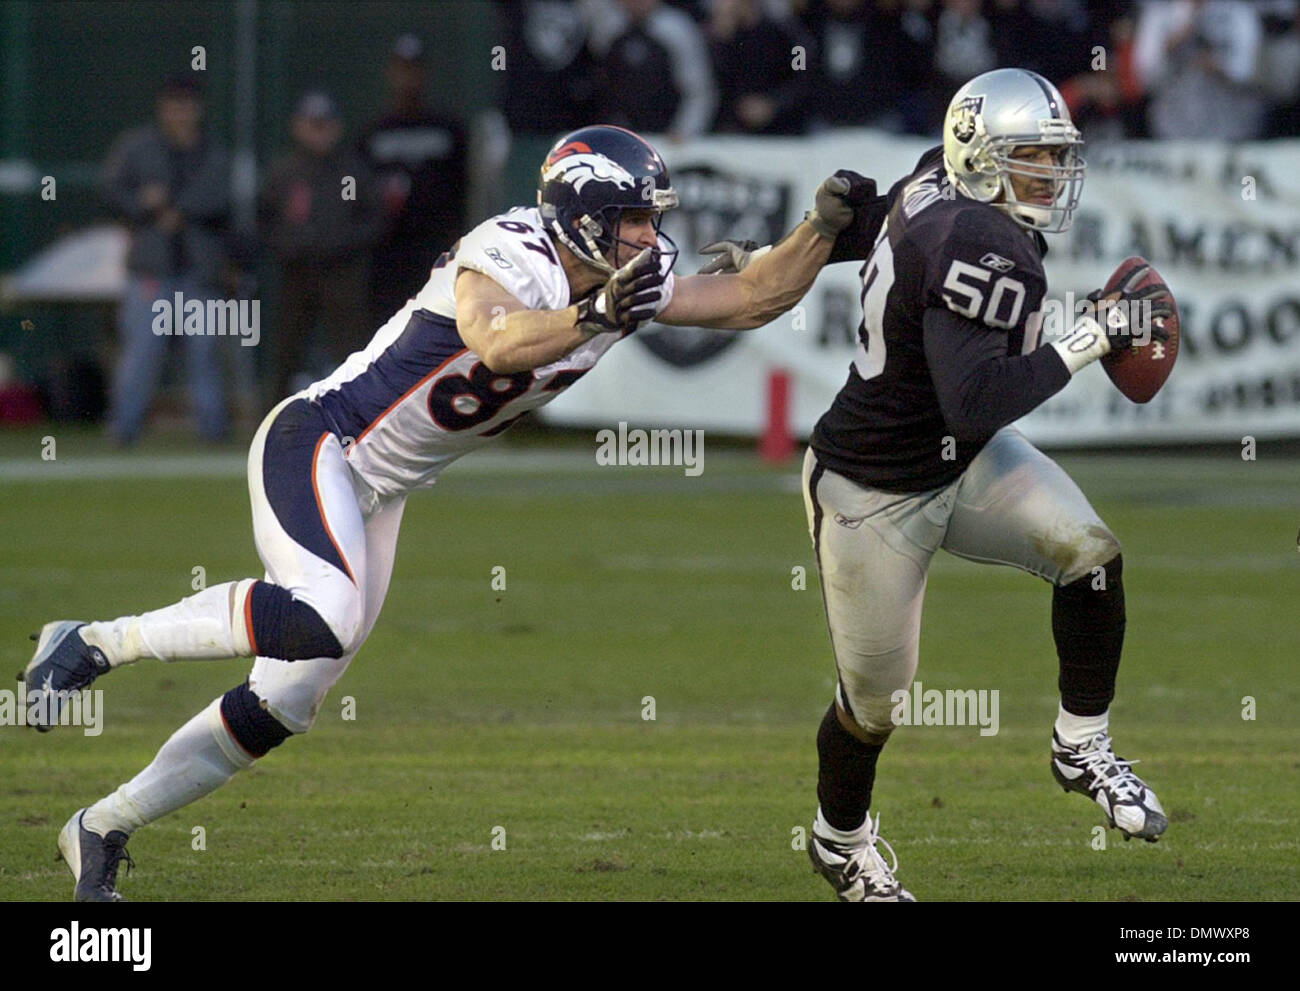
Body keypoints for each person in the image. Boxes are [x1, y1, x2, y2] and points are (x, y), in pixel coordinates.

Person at [21, 124, 873, 902]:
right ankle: (96, 639)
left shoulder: (619, 281)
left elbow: (753, 295)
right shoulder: (510, 247)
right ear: (581, 218)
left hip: (382, 489)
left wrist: (822, 230)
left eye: (651, 222)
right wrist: (596, 313)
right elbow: (498, 338)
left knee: (285, 703)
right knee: (323, 612)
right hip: (322, 439)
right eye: (633, 222)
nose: (649, 240)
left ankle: (100, 826)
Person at [705, 68, 1173, 902]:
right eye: (1031, 157)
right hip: (873, 488)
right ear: (983, 157)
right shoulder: (981, 243)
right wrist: (1088, 339)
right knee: (874, 705)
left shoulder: (937, 178)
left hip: (960, 459)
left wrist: (790, 248)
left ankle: (1082, 743)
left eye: (1054, 157)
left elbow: (877, 227)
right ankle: (839, 841)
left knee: (1091, 555)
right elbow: (978, 399)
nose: (1051, 176)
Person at [99, 74, 231, 446]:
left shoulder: (212, 151)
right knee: (142, 353)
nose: (181, 114)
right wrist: (145, 203)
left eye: (188, 106)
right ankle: (123, 428)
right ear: (162, 109)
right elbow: (111, 190)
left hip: (199, 270)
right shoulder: (137, 148)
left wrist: (176, 209)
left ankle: (213, 429)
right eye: (175, 106)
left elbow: (220, 198)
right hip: (151, 270)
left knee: (204, 355)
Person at [259, 91, 383, 402]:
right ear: (298, 126)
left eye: (324, 124)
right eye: (312, 124)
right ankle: (275, 418)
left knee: (351, 351)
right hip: (296, 273)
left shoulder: (351, 171)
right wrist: (287, 244)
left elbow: (374, 218)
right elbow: (265, 218)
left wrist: (342, 243)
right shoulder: (285, 171)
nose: (318, 132)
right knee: (287, 350)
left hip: (341, 273)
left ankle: (358, 413)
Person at [359, 35, 469, 325]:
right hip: (386, 255)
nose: (408, 78)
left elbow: (465, 188)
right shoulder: (373, 133)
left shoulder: (448, 129)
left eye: (414, 69)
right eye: (402, 68)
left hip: (437, 251)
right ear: (391, 72)